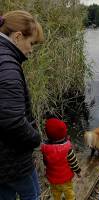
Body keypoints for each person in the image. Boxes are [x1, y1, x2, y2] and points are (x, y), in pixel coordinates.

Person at [0, 10, 44, 199]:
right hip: (11, 159)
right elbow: (12, 120)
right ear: (18, 36)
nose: (31, 49)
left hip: (4, 159)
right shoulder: (8, 65)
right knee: (32, 195)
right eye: (31, 43)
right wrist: (35, 138)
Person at [41, 118, 81, 200]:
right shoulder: (67, 149)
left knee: (55, 193)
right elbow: (73, 163)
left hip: (52, 179)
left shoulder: (45, 149)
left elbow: (45, 162)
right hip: (65, 179)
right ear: (64, 134)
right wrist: (78, 171)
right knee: (69, 192)